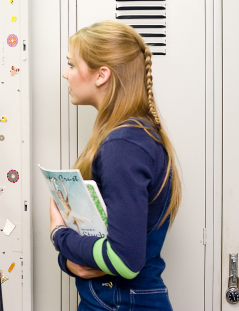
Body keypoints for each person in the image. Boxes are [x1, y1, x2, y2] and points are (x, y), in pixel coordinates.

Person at [50, 21, 181, 310]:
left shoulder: (123, 144)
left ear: (101, 75)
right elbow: (103, 245)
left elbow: (124, 260)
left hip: (121, 302)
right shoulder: (130, 136)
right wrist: (71, 260)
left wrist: (59, 234)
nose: (65, 73)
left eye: (71, 64)